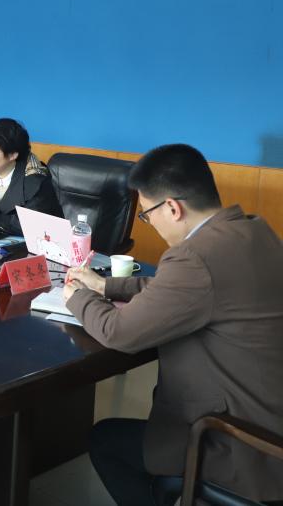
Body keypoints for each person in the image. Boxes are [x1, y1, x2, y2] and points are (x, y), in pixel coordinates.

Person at [63, 144, 283, 505]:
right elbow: (185, 290)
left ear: (172, 208)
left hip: (242, 445)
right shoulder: (254, 230)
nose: (149, 223)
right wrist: (106, 286)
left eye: (146, 214)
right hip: (270, 416)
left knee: (106, 441)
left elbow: (119, 332)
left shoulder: (195, 258)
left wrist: (77, 297)